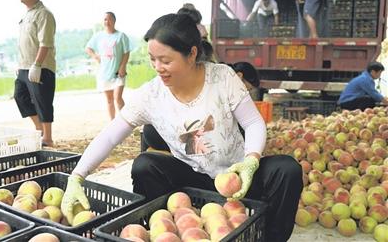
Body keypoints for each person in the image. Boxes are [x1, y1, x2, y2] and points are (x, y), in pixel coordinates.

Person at [61, 13, 302, 242]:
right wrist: (77, 176)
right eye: (152, 59)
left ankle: (267, 237)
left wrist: (251, 161)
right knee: (146, 165)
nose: (158, 67)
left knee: (287, 170)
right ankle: (164, 229)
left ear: (191, 54)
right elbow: (111, 135)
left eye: (165, 60)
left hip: (238, 178)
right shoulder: (152, 95)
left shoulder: (222, 78)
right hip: (192, 182)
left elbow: (252, 122)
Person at [14, 0, 56, 147]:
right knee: (20, 96)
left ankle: (48, 138)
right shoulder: (27, 15)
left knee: (42, 101)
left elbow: (45, 43)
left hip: (40, 66)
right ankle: (40, 131)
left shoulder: (44, 14)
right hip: (24, 66)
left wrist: (37, 64)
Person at [85, 12, 131, 120]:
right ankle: (112, 124)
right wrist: (96, 56)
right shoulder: (98, 36)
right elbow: (88, 48)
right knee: (109, 100)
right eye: (105, 19)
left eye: (110, 19)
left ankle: (125, 122)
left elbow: (126, 52)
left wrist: (122, 66)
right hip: (104, 73)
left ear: (114, 21)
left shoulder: (121, 36)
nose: (107, 22)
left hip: (118, 73)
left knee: (118, 98)